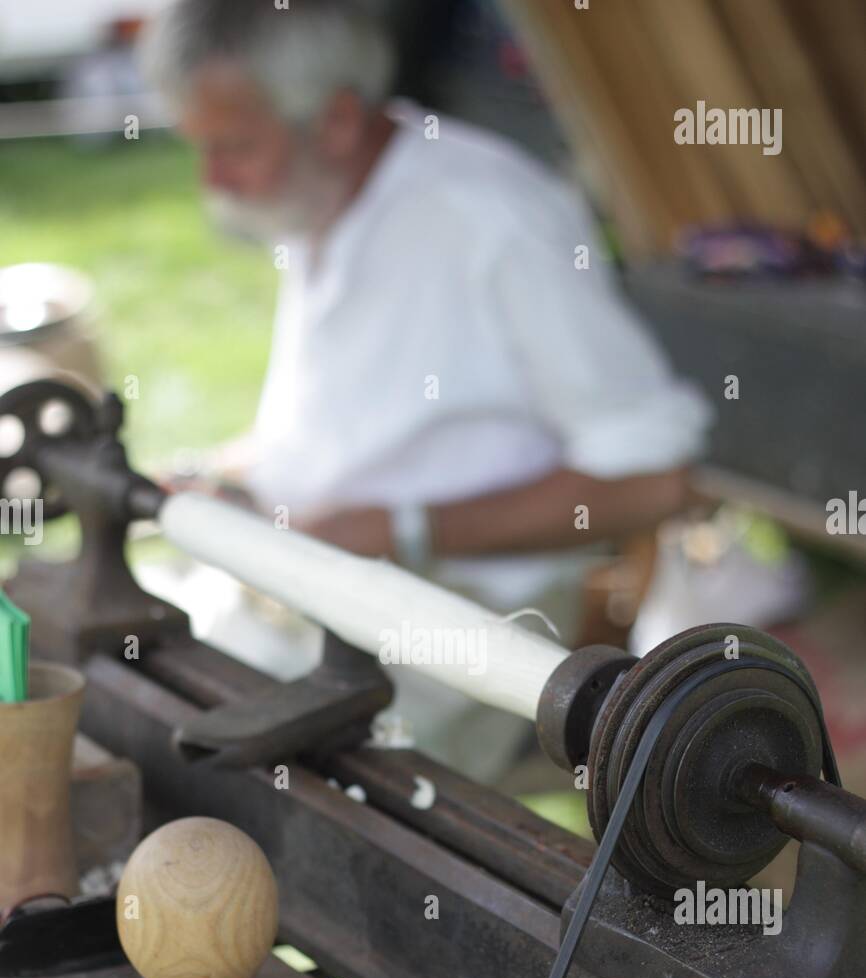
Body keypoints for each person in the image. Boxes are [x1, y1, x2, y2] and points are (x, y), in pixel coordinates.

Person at [141, 0, 712, 783]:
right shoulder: (317, 198)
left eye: (234, 146)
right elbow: (346, 434)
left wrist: (405, 529)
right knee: (120, 685)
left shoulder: (490, 216)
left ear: (336, 119)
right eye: (199, 147)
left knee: (207, 774)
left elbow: (657, 479)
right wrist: (225, 478)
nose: (213, 180)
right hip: (305, 596)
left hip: (447, 632)